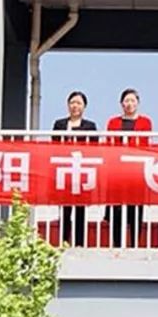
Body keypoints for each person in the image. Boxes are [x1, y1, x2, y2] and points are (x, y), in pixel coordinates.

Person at [105, 88, 153, 247]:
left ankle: (134, 244)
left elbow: (145, 145)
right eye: (126, 100)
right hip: (117, 172)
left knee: (136, 209)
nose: (129, 104)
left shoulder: (145, 122)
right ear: (121, 104)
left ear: (138, 103)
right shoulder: (113, 122)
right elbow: (109, 144)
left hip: (136, 172)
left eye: (133, 100)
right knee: (116, 210)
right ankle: (117, 244)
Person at [51, 91, 98, 247]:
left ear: (84, 107)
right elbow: (54, 146)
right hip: (64, 171)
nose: (75, 106)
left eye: (78, 103)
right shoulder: (59, 125)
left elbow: (93, 148)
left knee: (80, 210)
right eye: (72, 103)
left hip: (81, 172)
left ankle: (79, 243)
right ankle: (64, 242)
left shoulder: (90, 126)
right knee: (65, 210)